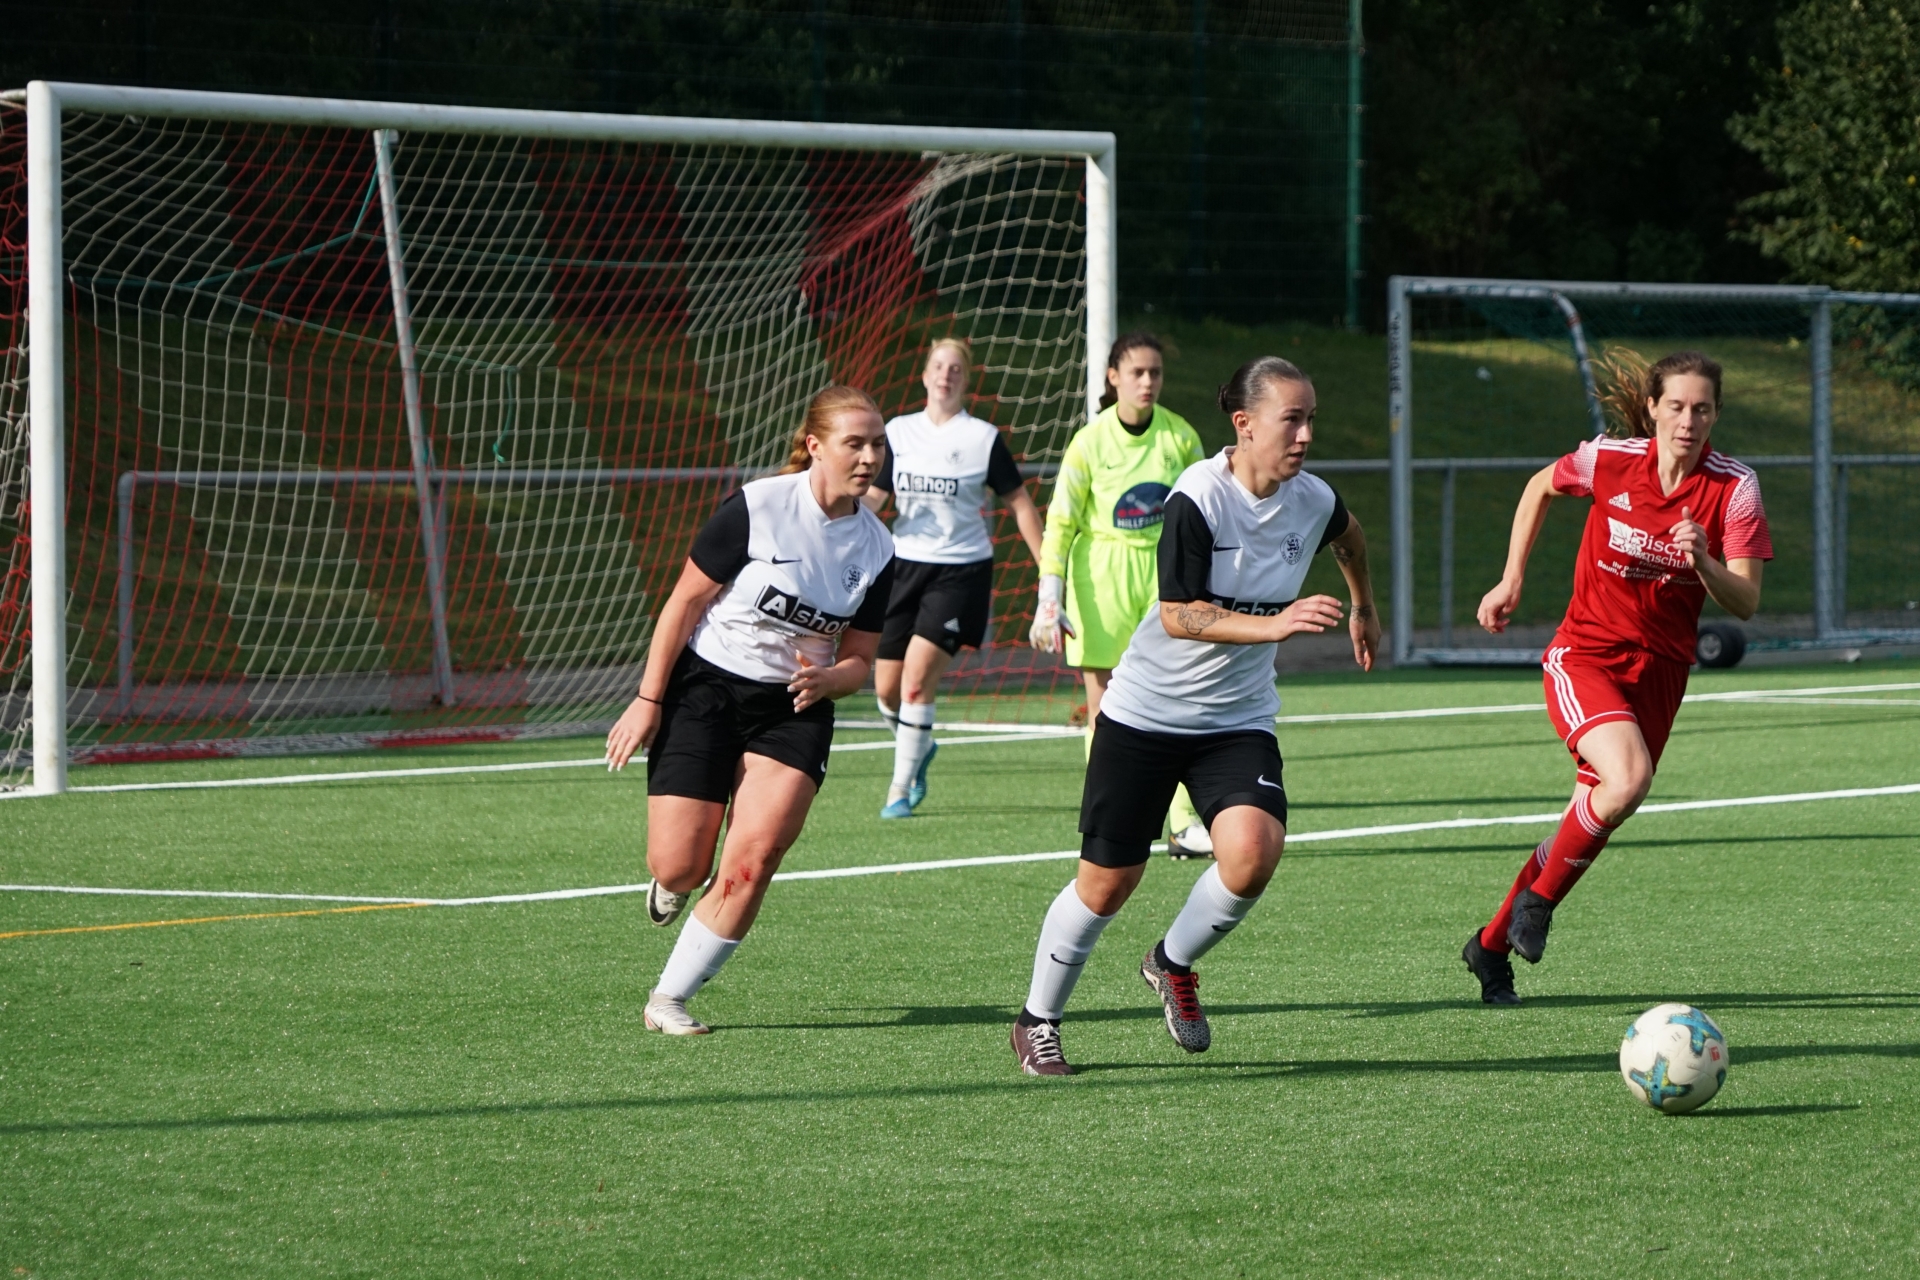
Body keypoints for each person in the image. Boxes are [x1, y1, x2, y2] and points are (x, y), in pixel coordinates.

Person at [1010, 357, 1380, 1076]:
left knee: (1253, 852)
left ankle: (1170, 962)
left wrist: (1363, 606)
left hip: (1236, 719)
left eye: (1311, 419)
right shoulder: (1198, 496)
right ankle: (1037, 1020)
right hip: (1145, 715)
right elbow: (1180, 614)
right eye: (1291, 420)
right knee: (1108, 883)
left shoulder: (1312, 498)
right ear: (1244, 425)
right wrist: (1275, 625)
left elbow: (1351, 538)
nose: (1306, 435)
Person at [1460, 351, 1771, 1005]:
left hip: (1661, 672)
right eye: (1676, 406)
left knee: (1597, 811)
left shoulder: (1735, 488)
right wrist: (1511, 578)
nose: (1688, 421)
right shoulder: (1608, 460)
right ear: (1653, 408)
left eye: (1702, 409)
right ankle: (1539, 904)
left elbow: (1745, 600)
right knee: (1628, 779)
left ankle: (1488, 947)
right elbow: (1540, 486)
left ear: (1717, 414)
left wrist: (1705, 561)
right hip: (1586, 656)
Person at [605, 385, 896, 1036]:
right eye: (855, 443)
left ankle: (669, 999)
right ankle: (674, 881)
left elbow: (860, 657)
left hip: (794, 709)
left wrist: (832, 679)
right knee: (680, 864)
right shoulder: (758, 507)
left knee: (754, 858)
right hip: (705, 689)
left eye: (878, 444)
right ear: (815, 446)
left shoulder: (877, 547)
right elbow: (683, 603)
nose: (869, 457)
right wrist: (649, 700)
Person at [1028, 331, 1214, 857]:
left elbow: (1208, 513)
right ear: (1113, 377)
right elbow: (1060, 524)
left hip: (1164, 578)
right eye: (1137, 372)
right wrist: (1049, 596)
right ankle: (1114, 816)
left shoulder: (1180, 437)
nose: (1147, 381)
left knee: (1181, 696)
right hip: (1100, 580)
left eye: (1155, 372)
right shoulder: (1089, 443)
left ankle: (1182, 822)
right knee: (1104, 705)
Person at [863, 338, 1046, 818]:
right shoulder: (898, 433)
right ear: (925, 376)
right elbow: (875, 499)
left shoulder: (981, 439)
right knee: (886, 690)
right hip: (902, 568)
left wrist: (1048, 572)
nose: (946, 375)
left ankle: (899, 790)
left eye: (956, 369)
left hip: (961, 572)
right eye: (939, 366)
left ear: (966, 380)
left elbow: (1020, 504)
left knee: (916, 682)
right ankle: (920, 745)